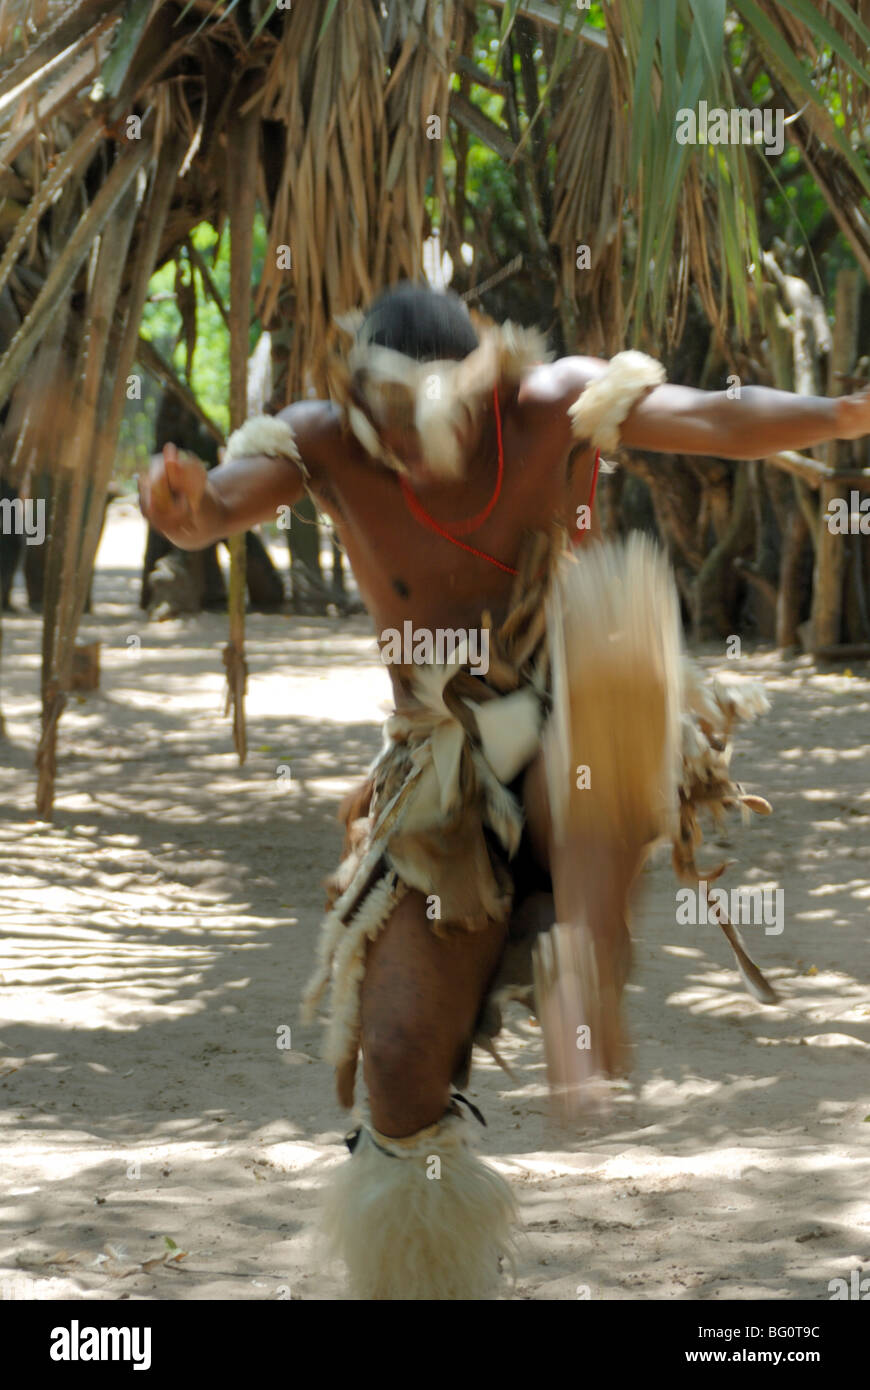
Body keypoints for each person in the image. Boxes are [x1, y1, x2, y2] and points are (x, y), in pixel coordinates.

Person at [139, 282, 870, 1300]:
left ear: (477, 391)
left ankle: (589, 963)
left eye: (413, 420)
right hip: (441, 777)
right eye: (376, 420)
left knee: (613, 621)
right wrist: (185, 508)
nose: (392, 442)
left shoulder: (553, 407)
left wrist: (845, 415)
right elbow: (217, 502)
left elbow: (714, 414)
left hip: (580, 727)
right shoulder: (323, 443)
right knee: (396, 1066)